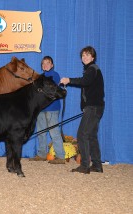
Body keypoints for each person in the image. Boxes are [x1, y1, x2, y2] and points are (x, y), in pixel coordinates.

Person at [60, 46, 105, 174]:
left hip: (93, 107)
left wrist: (69, 80)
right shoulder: (91, 70)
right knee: (91, 136)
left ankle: (85, 166)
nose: (84, 57)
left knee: (82, 134)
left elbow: (85, 81)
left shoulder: (92, 69)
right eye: (83, 55)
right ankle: (96, 165)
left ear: (93, 57)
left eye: (87, 55)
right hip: (96, 107)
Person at [29, 56, 65, 164]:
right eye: (43, 63)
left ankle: (60, 156)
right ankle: (42, 154)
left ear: (52, 65)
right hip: (41, 108)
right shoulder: (40, 77)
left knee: (54, 132)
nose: (45, 65)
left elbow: (49, 89)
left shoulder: (55, 75)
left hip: (52, 108)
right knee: (41, 132)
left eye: (48, 63)